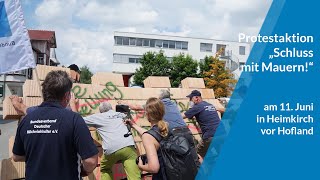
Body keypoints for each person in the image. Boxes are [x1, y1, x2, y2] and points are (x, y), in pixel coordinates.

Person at [11, 70, 98, 180]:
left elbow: (16, 156)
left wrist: (40, 155)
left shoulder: (26, 119)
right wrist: (83, 171)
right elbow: (91, 160)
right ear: (67, 95)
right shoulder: (74, 119)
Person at [119, 90, 200, 165]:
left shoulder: (159, 105)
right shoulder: (173, 104)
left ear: (160, 98)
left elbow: (136, 107)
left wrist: (124, 103)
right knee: (195, 158)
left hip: (175, 134)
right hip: (187, 131)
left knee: (177, 162)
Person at [69, 100, 141, 180]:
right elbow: (128, 117)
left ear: (101, 111)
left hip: (112, 149)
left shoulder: (97, 117)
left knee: (105, 168)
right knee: (133, 170)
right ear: (111, 108)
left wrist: (73, 106)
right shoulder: (121, 114)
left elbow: (79, 121)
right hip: (128, 146)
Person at [127, 97, 168, 180]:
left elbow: (154, 168)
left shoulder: (148, 137)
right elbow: (150, 134)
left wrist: (141, 166)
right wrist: (133, 125)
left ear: (148, 114)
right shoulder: (166, 129)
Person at [182, 90, 224, 158]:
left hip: (210, 135)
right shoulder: (209, 105)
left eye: (191, 99)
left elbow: (182, 116)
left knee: (199, 154)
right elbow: (205, 116)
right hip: (222, 133)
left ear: (196, 98)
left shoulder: (197, 107)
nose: (190, 101)